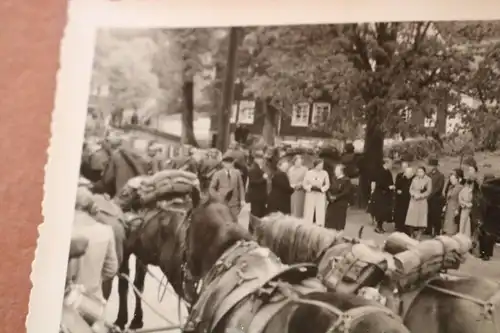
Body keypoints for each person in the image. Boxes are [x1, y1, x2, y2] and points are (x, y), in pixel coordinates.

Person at [71, 187, 119, 299]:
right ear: (92, 207)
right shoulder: (106, 231)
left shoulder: (61, 229)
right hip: (91, 299)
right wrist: (94, 280)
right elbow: (111, 269)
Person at [209, 153, 245, 222]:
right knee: (223, 222)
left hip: (235, 203)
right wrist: (217, 197)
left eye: (230, 163)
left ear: (232, 163)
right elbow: (211, 188)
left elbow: (241, 186)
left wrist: (242, 199)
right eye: (226, 163)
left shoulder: (237, 173)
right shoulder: (218, 174)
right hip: (222, 202)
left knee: (234, 222)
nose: (228, 165)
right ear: (223, 164)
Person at [405, 166, 432, 240]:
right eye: (418, 172)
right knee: (411, 218)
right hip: (414, 200)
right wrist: (413, 194)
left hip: (422, 201)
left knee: (421, 219)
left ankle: (419, 234)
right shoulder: (414, 179)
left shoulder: (428, 180)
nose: (419, 173)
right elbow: (411, 189)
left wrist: (421, 196)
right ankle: (412, 234)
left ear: (424, 172)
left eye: (421, 172)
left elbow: (429, 191)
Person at [302, 159, 330, 226]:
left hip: (320, 194)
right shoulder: (309, 173)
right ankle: (307, 224)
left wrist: (322, 189)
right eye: (320, 165)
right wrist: (310, 187)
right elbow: (304, 184)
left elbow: (327, 184)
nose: (321, 167)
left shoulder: (325, 173)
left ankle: (320, 225)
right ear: (316, 165)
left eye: (322, 165)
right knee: (309, 210)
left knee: (320, 210)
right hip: (310, 194)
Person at [325, 164, 353, 231]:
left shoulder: (346, 180)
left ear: (341, 171)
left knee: (339, 220)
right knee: (330, 219)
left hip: (341, 203)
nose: (335, 171)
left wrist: (336, 197)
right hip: (332, 203)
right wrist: (329, 197)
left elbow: (346, 192)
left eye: (337, 170)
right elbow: (328, 188)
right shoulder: (333, 179)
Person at [371, 158, 395, 234]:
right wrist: (388, 187)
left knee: (384, 211)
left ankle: (380, 226)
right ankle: (378, 227)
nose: (392, 165)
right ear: (386, 163)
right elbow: (379, 183)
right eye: (391, 163)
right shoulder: (380, 171)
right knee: (380, 211)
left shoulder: (388, 172)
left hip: (386, 194)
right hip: (380, 194)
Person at [478, 174, 496, 261]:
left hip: (490, 216)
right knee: (484, 235)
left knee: (487, 236)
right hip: (487, 215)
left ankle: (486, 253)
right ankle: (484, 252)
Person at [426, 157, 445, 236]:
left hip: (436, 198)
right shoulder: (428, 174)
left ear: (435, 166)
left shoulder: (440, 175)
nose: (429, 167)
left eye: (431, 166)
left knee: (436, 215)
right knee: (428, 213)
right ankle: (428, 229)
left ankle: (437, 230)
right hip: (428, 197)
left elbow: (438, 187)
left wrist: (430, 194)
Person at [247, 151, 268, 221]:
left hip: (260, 196)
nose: (262, 160)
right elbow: (252, 182)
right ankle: (252, 230)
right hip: (256, 196)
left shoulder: (259, 167)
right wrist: (263, 178)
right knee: (256, 215)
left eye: (262, 158)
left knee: (259, 215)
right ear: (256, 159)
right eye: (260, 158)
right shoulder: (253, 168)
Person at [442, 169, 464, 235]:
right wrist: (445, 205)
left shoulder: (460, 187)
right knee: (447, 223)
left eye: (453, 179)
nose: (451, 181)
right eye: (451, 180)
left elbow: (460, 199)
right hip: (449, 206)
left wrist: (457, 208)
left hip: (455, 207)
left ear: (458, 179)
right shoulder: (451, 187)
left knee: (453, 224)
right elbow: (447, 197)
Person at [393, 162, 414, 234]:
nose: (404, 168)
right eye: (403, 167)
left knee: (406, 213)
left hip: (408, 198)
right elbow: (397, 185)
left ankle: (406, 228)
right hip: (400, 197)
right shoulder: (400, 176)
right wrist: (397, 191)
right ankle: (399, 226)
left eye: (406, 167)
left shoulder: (413, 178)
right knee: (400, 212)